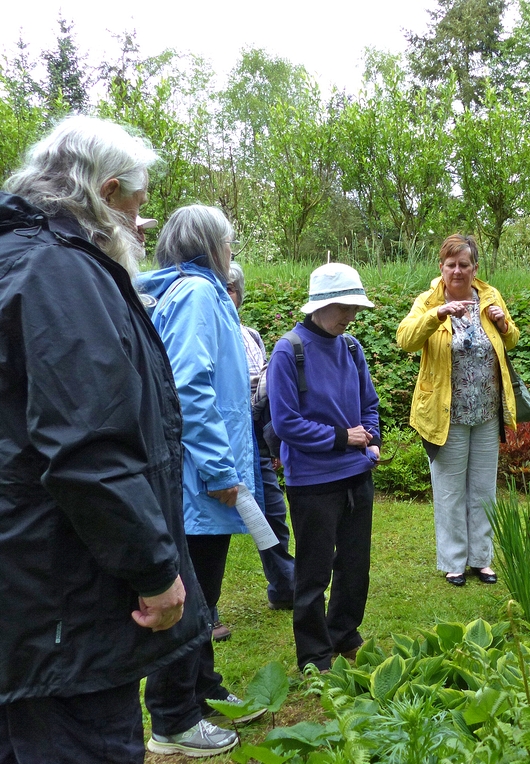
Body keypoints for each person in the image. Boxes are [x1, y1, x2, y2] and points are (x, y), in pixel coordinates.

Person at [0, 116, 207, 763]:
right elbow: (89, 447)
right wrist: (156, 571)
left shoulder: (17, 260)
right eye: (138, 207)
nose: (142, 226)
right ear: (108, 191)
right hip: (64, 607)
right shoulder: (60, 273)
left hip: (27, 597)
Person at [137, 204, 264, 756]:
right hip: (199, 479)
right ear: (212, 246)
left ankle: (203, 688)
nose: (232, 251)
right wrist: (218, 470)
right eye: (229, 242)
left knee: (203, 600)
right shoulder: (194, 295)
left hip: (202, 476)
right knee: (189, 600)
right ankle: (173, 721)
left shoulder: (199, 292)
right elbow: (190, 387)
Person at [267, 263, 381, 672]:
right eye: (345, 308)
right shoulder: (288, 350)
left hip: (356, 474)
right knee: (313, 572)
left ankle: (344, 633)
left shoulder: (352, 347)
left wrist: (372, 439)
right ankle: (314, 654)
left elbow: (369, 403)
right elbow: (286, 423)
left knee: (355, 566)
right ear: (321, 304)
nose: (350, 316)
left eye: (355, 309)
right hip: (312, 482)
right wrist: (342, 438)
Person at [396, 234, 520, 587]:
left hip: (485, 411)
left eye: (464, 264)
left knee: (483, 489)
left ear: (474, 268)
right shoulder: (428, 301)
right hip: (445, 413)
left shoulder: (490, 296)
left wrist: (504, 325)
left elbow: (512, 339)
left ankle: (481, 559)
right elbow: (405, 340)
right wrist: (437, 316)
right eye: (450, 264)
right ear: (441, 267)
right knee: (450, 490)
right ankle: (453, 561)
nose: (457, 270)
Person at [227, 262, 296, 611]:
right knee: (213, 521)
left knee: (272, 510)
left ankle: (285, 587)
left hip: (253, 433)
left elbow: (265, 396)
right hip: (222, 432)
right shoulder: (205, 331)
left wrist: (271, 445)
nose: (226, 295)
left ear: (239, 295)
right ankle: (204, 611)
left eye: (231, 289)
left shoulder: (250, 335)